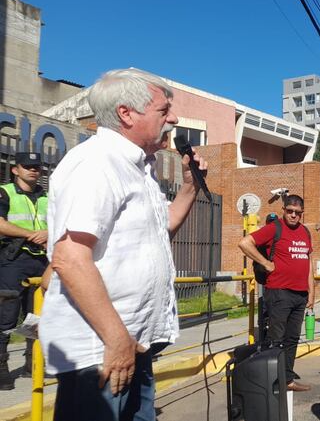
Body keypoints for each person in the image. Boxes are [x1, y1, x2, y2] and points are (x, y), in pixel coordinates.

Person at [39, 69, 208, 420]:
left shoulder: (139, 168)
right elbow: (69, 258)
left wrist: (190, 186)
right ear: (126, 114)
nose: (173, 119)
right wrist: (116, 340)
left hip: (132, 343)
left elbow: (163, 230)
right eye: (164, 110)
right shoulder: (96, 163)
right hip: (100, 350)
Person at [238, 194, 314, 392]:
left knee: (292, 339)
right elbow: (245, 243)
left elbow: (308, 264)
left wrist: (311, 292)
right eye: (290, 211)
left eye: (297, 213)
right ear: (284, 210)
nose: (293, 215)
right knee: (275, 339)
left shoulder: (305, 232)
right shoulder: (275, 228)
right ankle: (271, 382)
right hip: (279, 292)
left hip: (300, 295)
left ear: (302, 213)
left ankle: (287, 380)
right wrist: (265, 263)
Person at [0, 152, 49, 390]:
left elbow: (61, 221)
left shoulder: (46, 196)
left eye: (37, 167)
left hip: (41, 260)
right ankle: (1, 369)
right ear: (15, 170)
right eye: (27, 166)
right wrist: (30, 234)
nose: (33, 170)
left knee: (38, 316)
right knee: (6, 316)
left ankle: (34, 364)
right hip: (13, 259)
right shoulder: (5, 192)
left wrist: (49, 233)